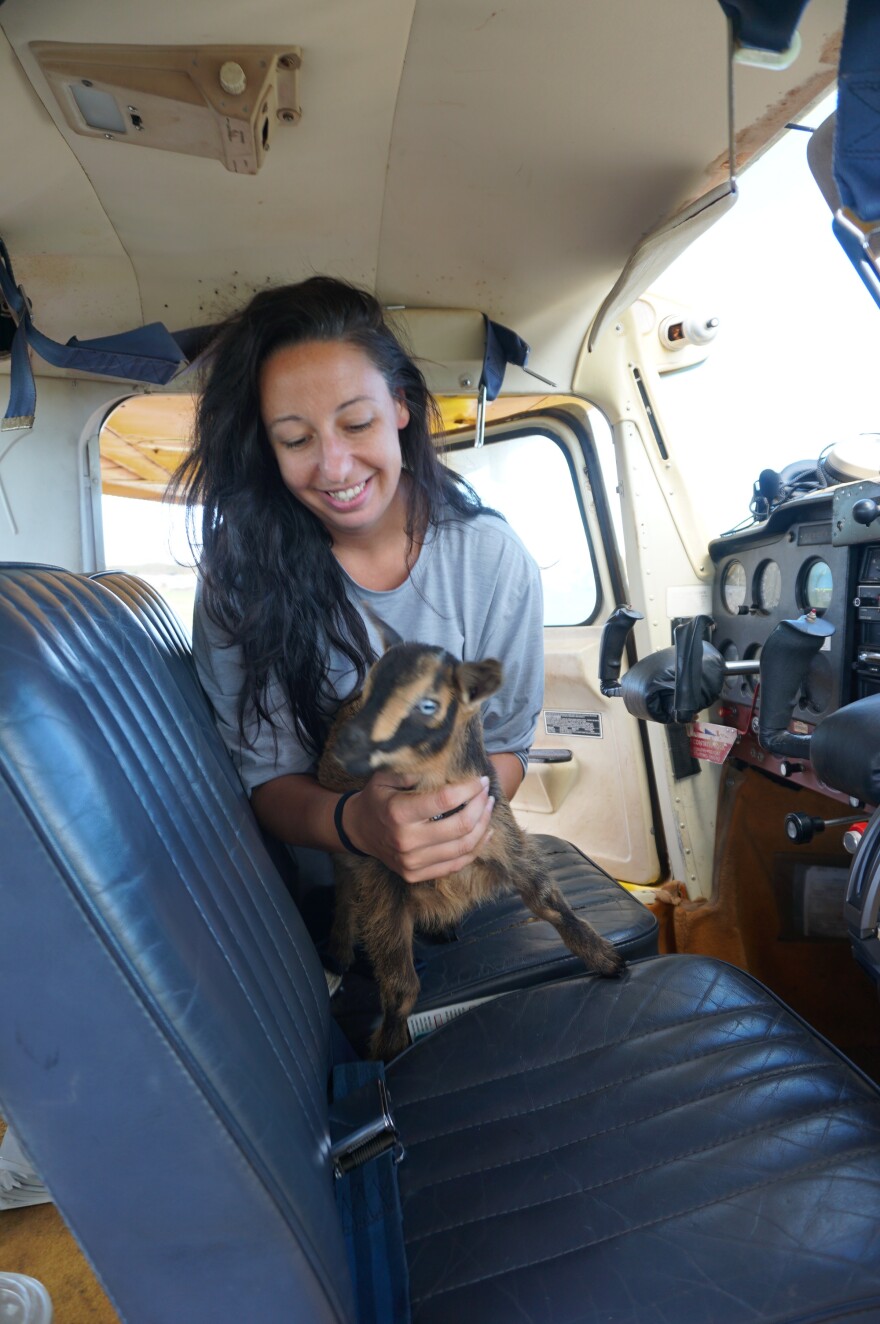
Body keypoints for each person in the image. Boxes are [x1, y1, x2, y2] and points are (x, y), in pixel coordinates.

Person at [173, 276, 544, 886]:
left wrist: (444, 822)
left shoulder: (494, 562)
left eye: (357, 423)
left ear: (400, 407)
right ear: (267, 448)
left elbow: (507, 745)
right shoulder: (239, 579)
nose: (335, 467)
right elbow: (267, 781)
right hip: (317, 891)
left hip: (452, 868)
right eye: (295, 439)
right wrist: (360, 825)